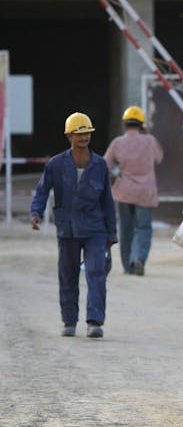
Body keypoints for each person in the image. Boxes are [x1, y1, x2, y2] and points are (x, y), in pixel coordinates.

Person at [29, 112, 118, 338]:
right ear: (69, 136)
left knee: (96, 273)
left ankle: (94, 322)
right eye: (79, 134)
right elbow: (42, 190)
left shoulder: (99, 165)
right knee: (67, 275)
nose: (84, 137)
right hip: (67, 228)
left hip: (95, 229)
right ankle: (69, 320)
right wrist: (35, 213)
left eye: (87, 133)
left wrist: (111, 233)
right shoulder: (56, 165)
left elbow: (107, 200)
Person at [104, 105, 163, 276]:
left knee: (126, 228)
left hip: (124, 191)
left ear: (125, 124)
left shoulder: (117, 142)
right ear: (142, 124)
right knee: (143, 227)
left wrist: (114, 175)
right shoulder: (150, 141)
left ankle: (127, 267)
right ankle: (138, 258)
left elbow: (104, 164)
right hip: (145, 192)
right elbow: (158, 158)